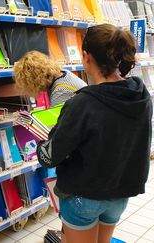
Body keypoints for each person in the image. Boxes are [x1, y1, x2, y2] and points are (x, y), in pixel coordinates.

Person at [37, 24, 152, 243]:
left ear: (87, 57)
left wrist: (44, 142)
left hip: (85, 195)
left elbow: (50, 156)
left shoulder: (83, 103)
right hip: (121, 193)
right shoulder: (141, 95)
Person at [0, 50, 87, 107]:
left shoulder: (60, 91)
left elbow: (59, 130)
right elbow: (19, 90)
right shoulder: (63, 74)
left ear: (35, 81)